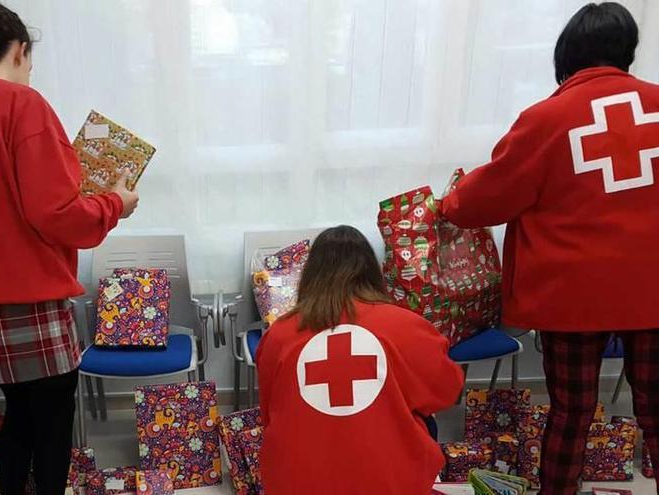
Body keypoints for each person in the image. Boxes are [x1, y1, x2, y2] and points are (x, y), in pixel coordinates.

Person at [0, 1, 138, 494]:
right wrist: (115, 204)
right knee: (54, 422)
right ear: (20, 50)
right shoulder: (22, 105)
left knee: (19, 411)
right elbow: (56, 216)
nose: (31, 73)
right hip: (24, 300)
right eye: (31, 63)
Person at [441, 3, 659, 494]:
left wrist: (450, 204)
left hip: (571, 295)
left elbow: (488, 197)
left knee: (571, 411)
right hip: (654, 288)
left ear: (566, 55)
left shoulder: (547, 119)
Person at [256, 226, 463, 494]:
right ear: (373, 271)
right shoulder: (407, 327)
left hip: (296, 482)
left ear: (309, 275)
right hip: (387, 482)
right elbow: (446, 392)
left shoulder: (278, 335)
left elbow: (269, 413)